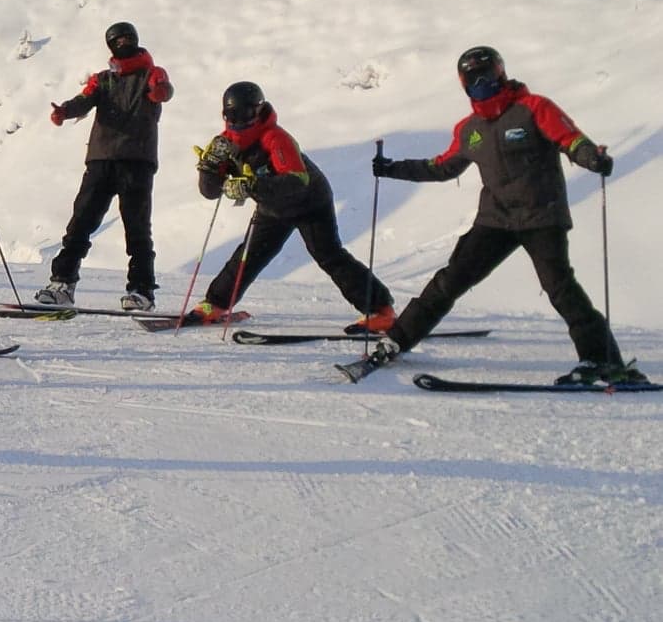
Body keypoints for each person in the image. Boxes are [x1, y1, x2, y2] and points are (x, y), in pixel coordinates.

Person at [357, 46, 641, 384]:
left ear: (500, 74)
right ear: (464, 85)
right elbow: (442, 166)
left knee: (560, 287)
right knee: (450, 281)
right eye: (473, 81)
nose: (482, 85)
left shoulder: (534, 108)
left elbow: (570, 139)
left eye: (487, 77)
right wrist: (392, 169)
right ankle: (397, 341)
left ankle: (601, 360)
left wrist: (591, 157)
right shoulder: (469, 129)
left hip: (542, 216)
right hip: (495, 221)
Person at [187, 81, 392, 328]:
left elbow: (298, 181)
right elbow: (209, 192)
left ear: (259, 111)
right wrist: (209, 168)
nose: (239, 121)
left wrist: (252, 186)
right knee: (249, 255)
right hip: (273, 208)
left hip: (310, 202)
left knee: (328, 255)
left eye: (246, 114)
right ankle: (216, 303)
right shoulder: (225, 143)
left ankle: (381, 310)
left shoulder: (275, 137)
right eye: (231, 115)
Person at [35, 21, 171, 312]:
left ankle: (141, 290)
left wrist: (161, 91)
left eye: (126, 39)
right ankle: (62, 282)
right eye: (117, 40)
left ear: (135, 40)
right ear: (110, 46)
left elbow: (163, 91)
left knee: (136, 228)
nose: (123, 44)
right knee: (80, 222)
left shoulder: (152, 73)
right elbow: (85, 100)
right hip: (102, 158)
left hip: (136, 161)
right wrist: (64, 111)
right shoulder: (103, 79)